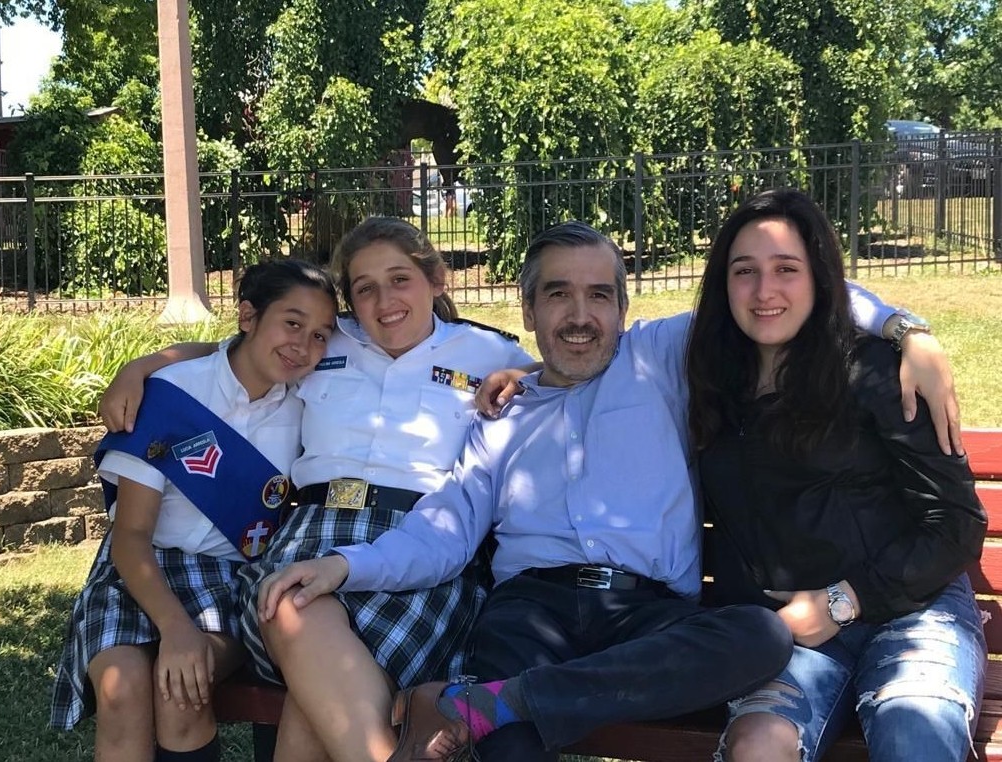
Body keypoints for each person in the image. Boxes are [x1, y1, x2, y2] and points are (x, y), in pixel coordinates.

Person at [257, 220, 959, 762]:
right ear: (528, 311)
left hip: (647, 612)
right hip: (531, 608)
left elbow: (780, 299)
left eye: (599, 295)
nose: (580, 315)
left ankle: (502, 702)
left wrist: (908, 331)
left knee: (756, 634)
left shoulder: (660, 358)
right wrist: (344, 566)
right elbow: (443, 531)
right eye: (558, 294)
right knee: (510, 747)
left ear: (625, 308)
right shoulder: (501, 412)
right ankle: (503, 705)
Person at [98, 217, 534, 762]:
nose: (385, 300)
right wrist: (140, 366)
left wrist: (521, 375)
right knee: (290, 606)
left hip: (423, 544)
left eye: (400, 279)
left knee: (312, 698)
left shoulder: (488, 351)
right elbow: (231, 348)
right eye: (364, 287)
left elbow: (551, 381)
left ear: (436, 280)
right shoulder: (327, 340)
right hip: (312, 531)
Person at [684, 188, 987, 762]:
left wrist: (843, 601)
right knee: (756, 748)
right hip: (790, 633)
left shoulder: (877, 374)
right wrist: (520, 372)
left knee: (914, 729)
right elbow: (594, 356)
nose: (764, 290)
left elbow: (956, 524)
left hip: (910, 608)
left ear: (821, 280)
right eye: (744, 271)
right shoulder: (707, 380)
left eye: (786, 270)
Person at [50, 259, 338, 762]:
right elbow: (132, 536)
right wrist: (177, 629)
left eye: (320, 335)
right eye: (292, 323)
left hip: (229, 579)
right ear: (247, 316)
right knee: (124, 688)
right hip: (135, 571)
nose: (303, 345)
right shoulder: (173, 395)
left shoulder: (308, 405)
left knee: (182, 687)